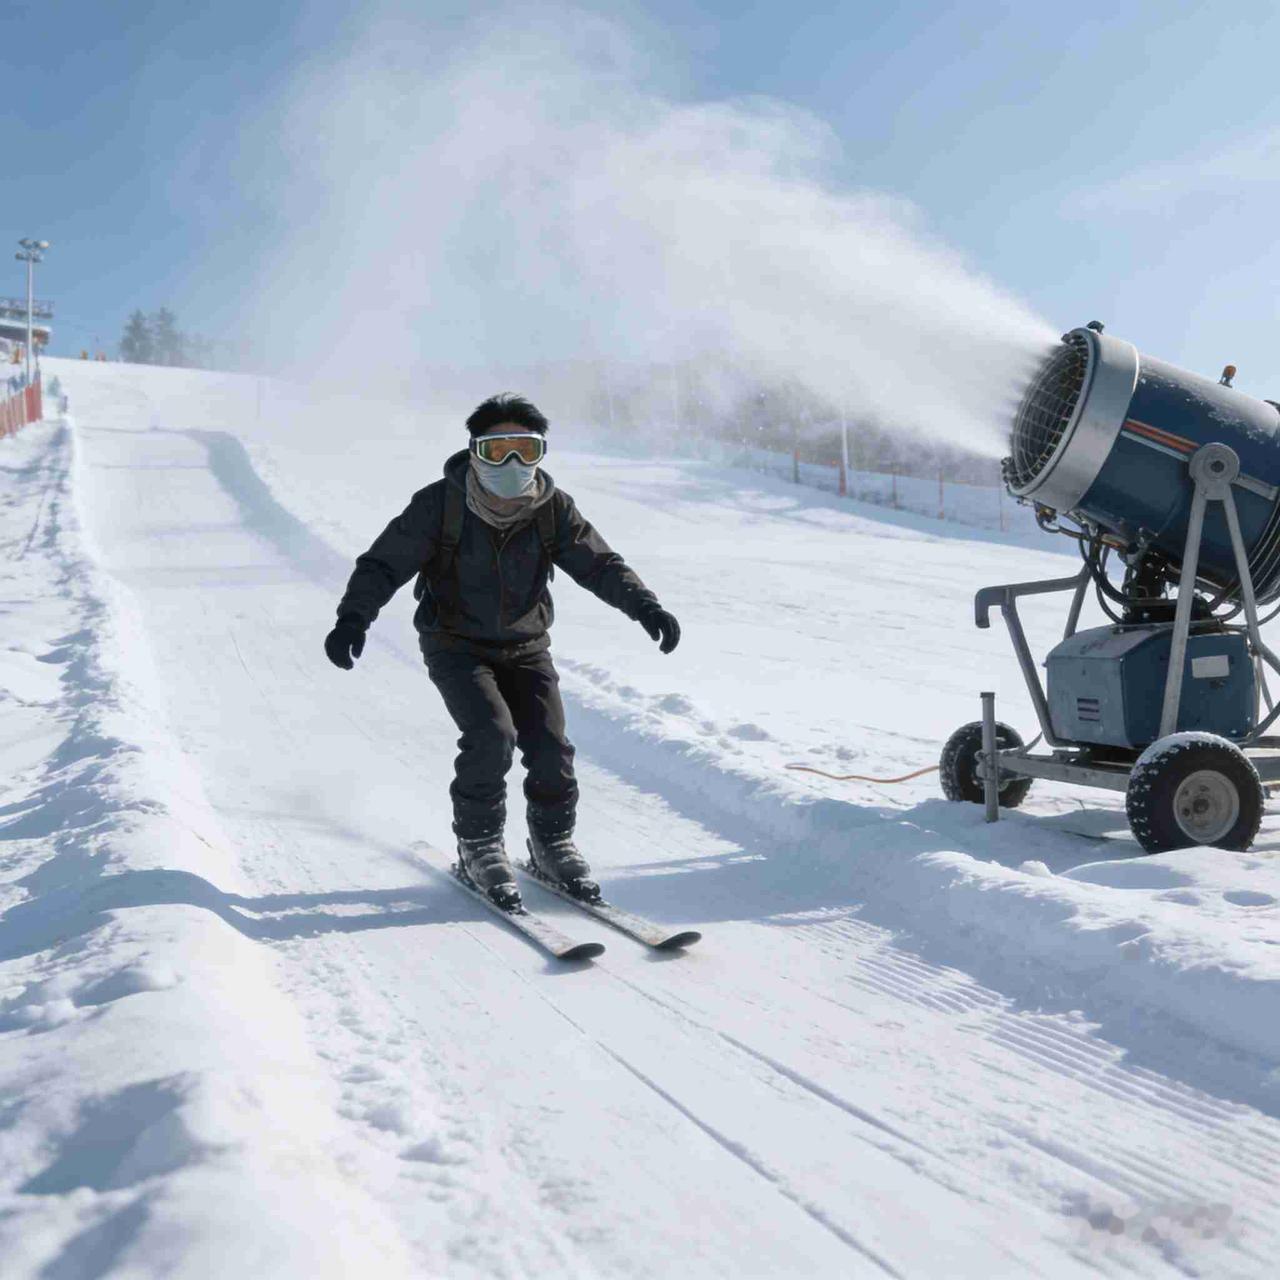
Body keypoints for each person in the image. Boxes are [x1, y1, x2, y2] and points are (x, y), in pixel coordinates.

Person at [325, 394, 680, 909]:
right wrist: (353, 617)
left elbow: (599, 564)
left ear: (540, 453)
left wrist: (645, 606)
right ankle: (480, 844)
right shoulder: (439, 505)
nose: (513, 463)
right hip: (456, 645)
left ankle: (552, 842)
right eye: (498, 450)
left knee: (550, 747)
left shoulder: (552, 509)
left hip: (527, 645)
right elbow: (384, 563)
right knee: (492, 735)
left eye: (525, 449)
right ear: (474, 451)